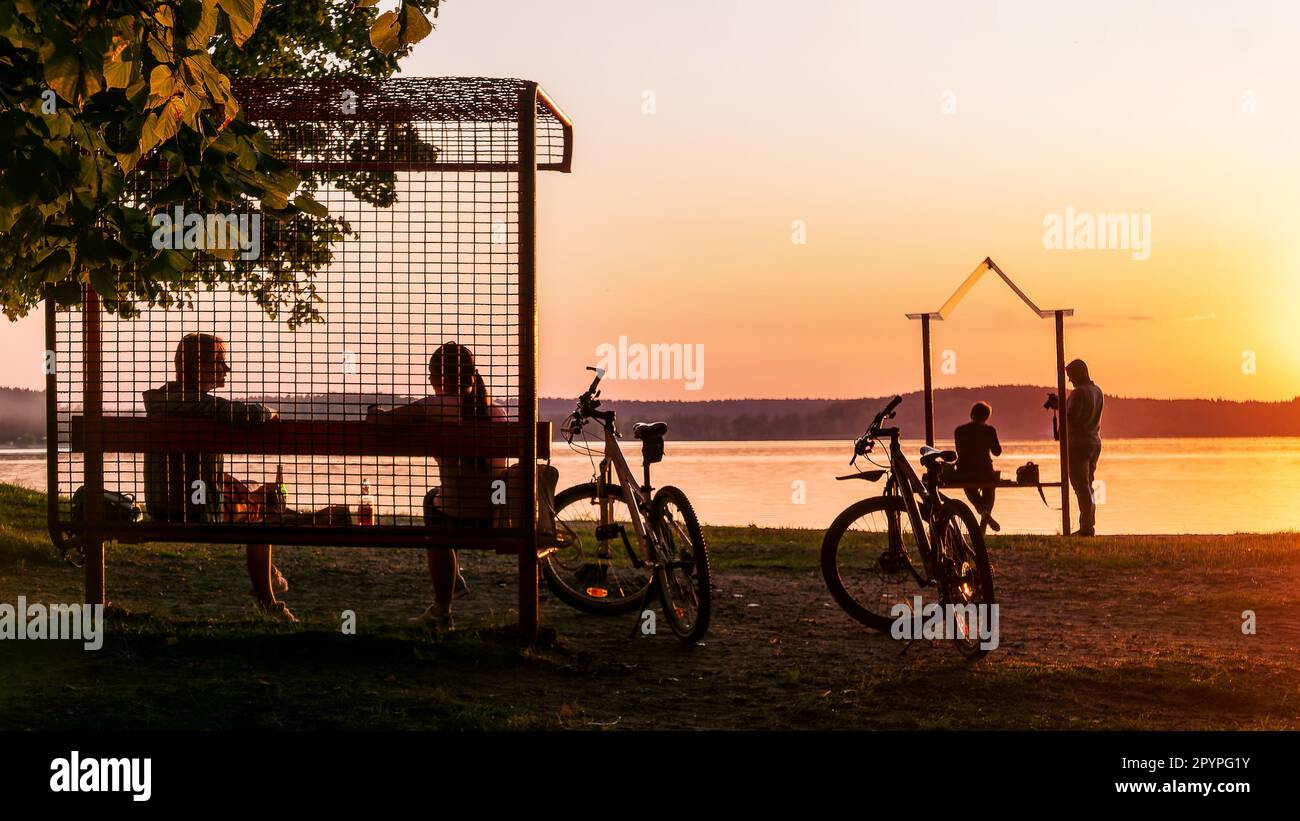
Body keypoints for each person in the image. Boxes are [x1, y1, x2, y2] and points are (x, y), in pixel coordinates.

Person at [141, 333, 295, 620]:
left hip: (162, 506)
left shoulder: (166, 401)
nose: (226, 369)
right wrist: (271, 412)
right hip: (195, 511)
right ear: (196, 366)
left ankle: (270, 573)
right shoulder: (200, 405)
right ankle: (268, 600)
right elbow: (247, 414)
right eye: (219, 362)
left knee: (252, 490)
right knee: (265, 510)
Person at [367, 341, 505, 630]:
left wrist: (373, 410)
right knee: (436, 498)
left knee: (433, 506)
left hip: (457, 518)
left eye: (431, 377)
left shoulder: (434, 406)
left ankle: (443, 607)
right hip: (497, 517)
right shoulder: (496, 412)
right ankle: (452, 582)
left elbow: (380, 424)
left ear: (438, 378)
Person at [1063, 358, 1103, 536]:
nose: (1070, 380)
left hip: (1078, 443)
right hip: (1094, 442)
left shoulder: (1078, 393)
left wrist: (1060, 408)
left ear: (1079, 373)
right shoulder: (1097, 391)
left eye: (1070, 376)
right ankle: (1089, 522)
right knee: (1090, 484)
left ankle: (1087, 526)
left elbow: (1070, 418)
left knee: (1080, 486)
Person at [953, 401, 1002, 533]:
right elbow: (997, 452)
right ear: (987, 417)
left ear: (971, 414)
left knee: (970, 490)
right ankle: (984, 521)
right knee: (990, 490)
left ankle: (983, 512)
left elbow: (959, 452)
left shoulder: (959, 431)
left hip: (965, 472)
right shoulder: (990, 431)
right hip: (985, 471)